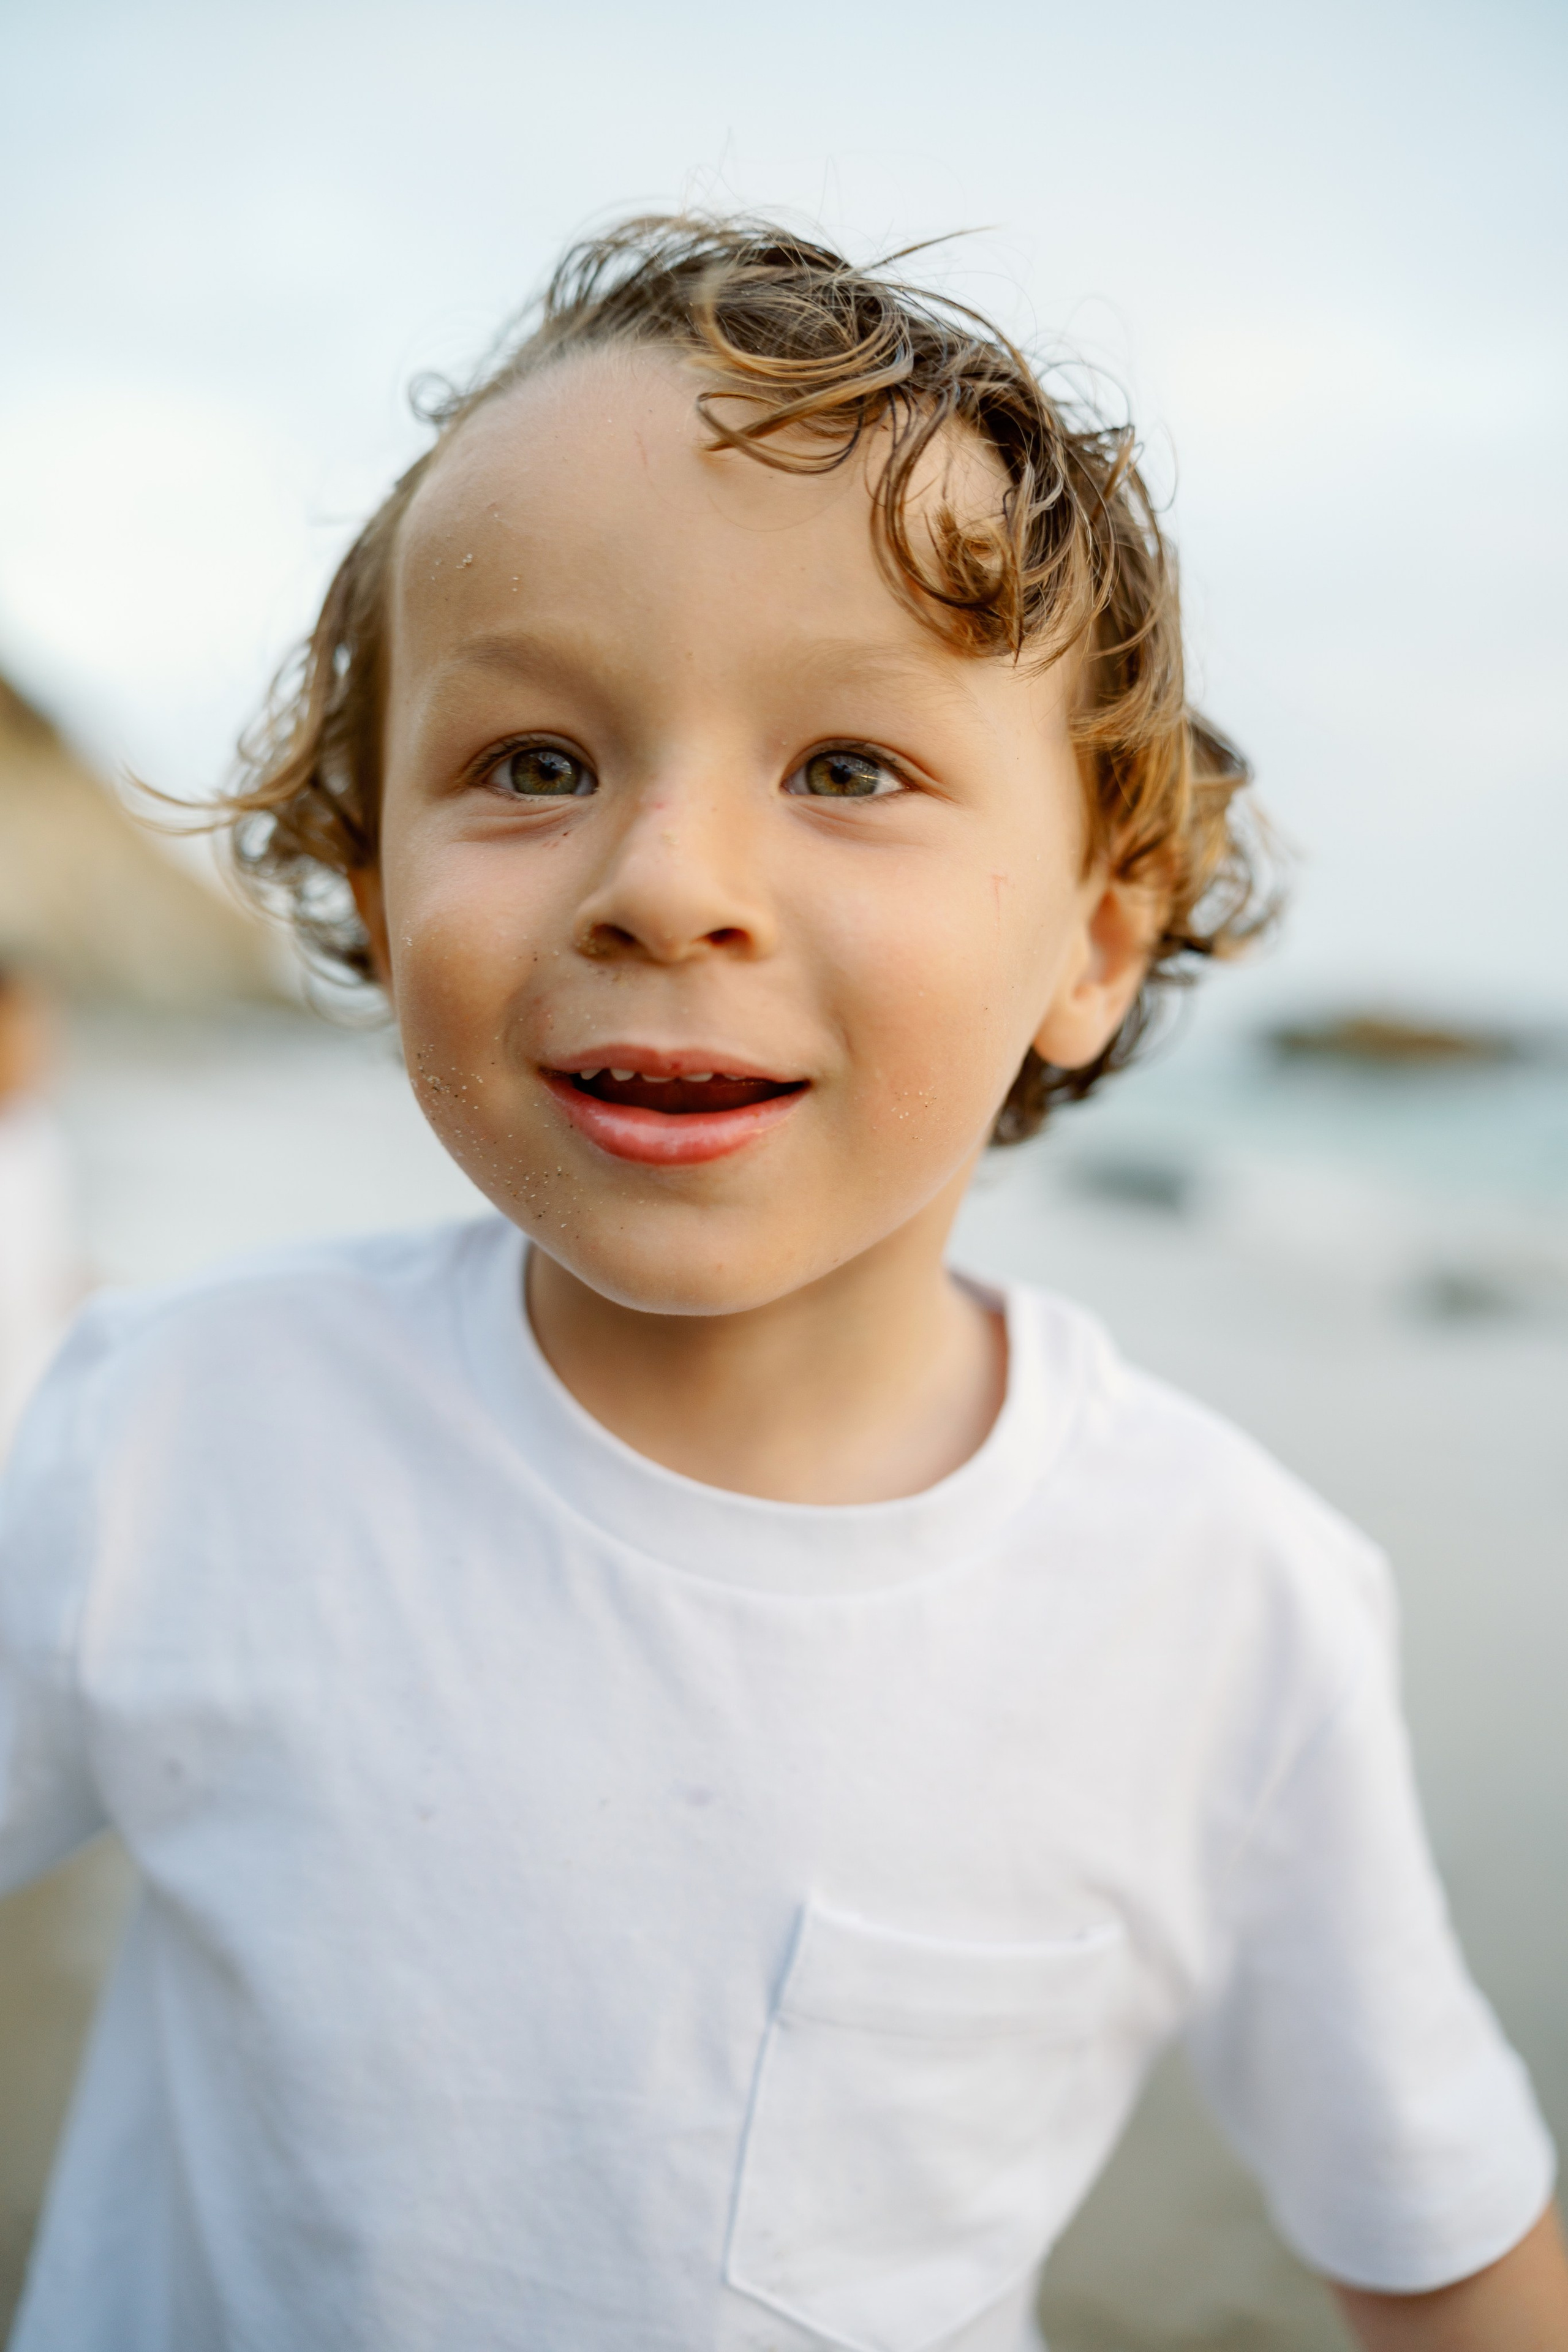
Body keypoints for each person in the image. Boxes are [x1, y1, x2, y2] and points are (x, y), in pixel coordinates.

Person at [0, 217, 1561, 2352]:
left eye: (848, 769)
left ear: (1096, 943)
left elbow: (1449, 2252)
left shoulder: (1215, 1597)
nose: (667, 885)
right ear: (370, 870)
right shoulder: (177, 1428)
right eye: (534, 765)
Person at [0, 967, 77, 1457]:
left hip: (30, 1430)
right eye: (20, 1032)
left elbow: (53, 1273)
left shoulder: (39, 1135)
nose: (38, 1051)